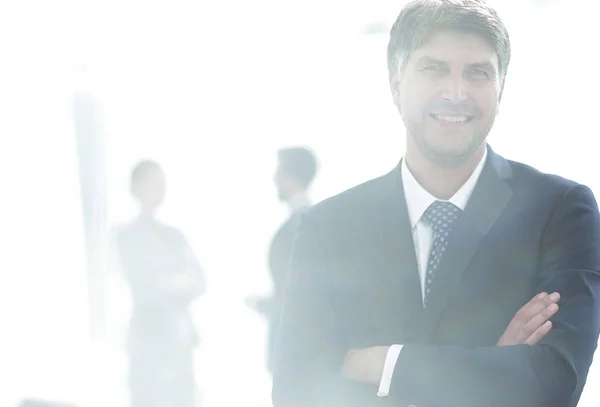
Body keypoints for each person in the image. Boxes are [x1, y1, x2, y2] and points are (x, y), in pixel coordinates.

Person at [271, 1, 600, 407]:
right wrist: (494, 368)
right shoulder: (328, 226)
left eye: (478, 72)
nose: (456, 93)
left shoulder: (561, 211)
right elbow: (296, 392)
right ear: (395, 83)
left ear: (501, 87)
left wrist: (386, 365)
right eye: (434, 68)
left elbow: (553, 382)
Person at [116, 160, 206, 407]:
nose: (159, 189)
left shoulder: (173, 235)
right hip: (148, 337)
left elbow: (200, 281)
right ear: (135, 188)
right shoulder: (126, 235)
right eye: (153, 183)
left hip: (179, 338)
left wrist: (165, 280)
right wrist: (178, 280)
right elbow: (142, 282)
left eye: (162, 184)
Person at [247, 147, 318, 372]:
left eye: (279, 172)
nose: (274, 178)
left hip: (296, 351)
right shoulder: (308, 222)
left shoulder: (300, 227)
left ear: (292, 177)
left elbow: (301, 293)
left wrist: (264, 305)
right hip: (299, 350)